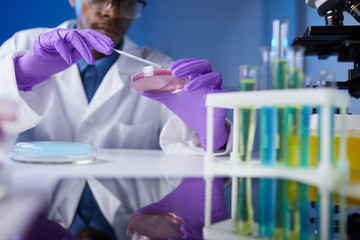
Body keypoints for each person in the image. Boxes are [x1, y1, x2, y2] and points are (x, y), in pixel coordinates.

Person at [0, 0, 231, 239]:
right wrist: (23, 74)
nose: (113, 13)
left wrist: (209, 131)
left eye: (128, 3)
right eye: (100, 0)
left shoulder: (157, 69)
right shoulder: (23, 46)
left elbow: (191, 153)